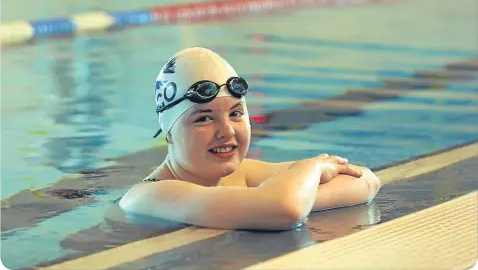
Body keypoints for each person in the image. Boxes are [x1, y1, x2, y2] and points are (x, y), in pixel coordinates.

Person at [119, 47, 381, 231]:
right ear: (169, 132)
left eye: (235, 113)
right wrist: (309, 170)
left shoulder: (241, 174)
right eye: (203, 119)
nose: (227, 131)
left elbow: (365, 180)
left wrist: (270, 201)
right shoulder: (151, 195)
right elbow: (284, 209)